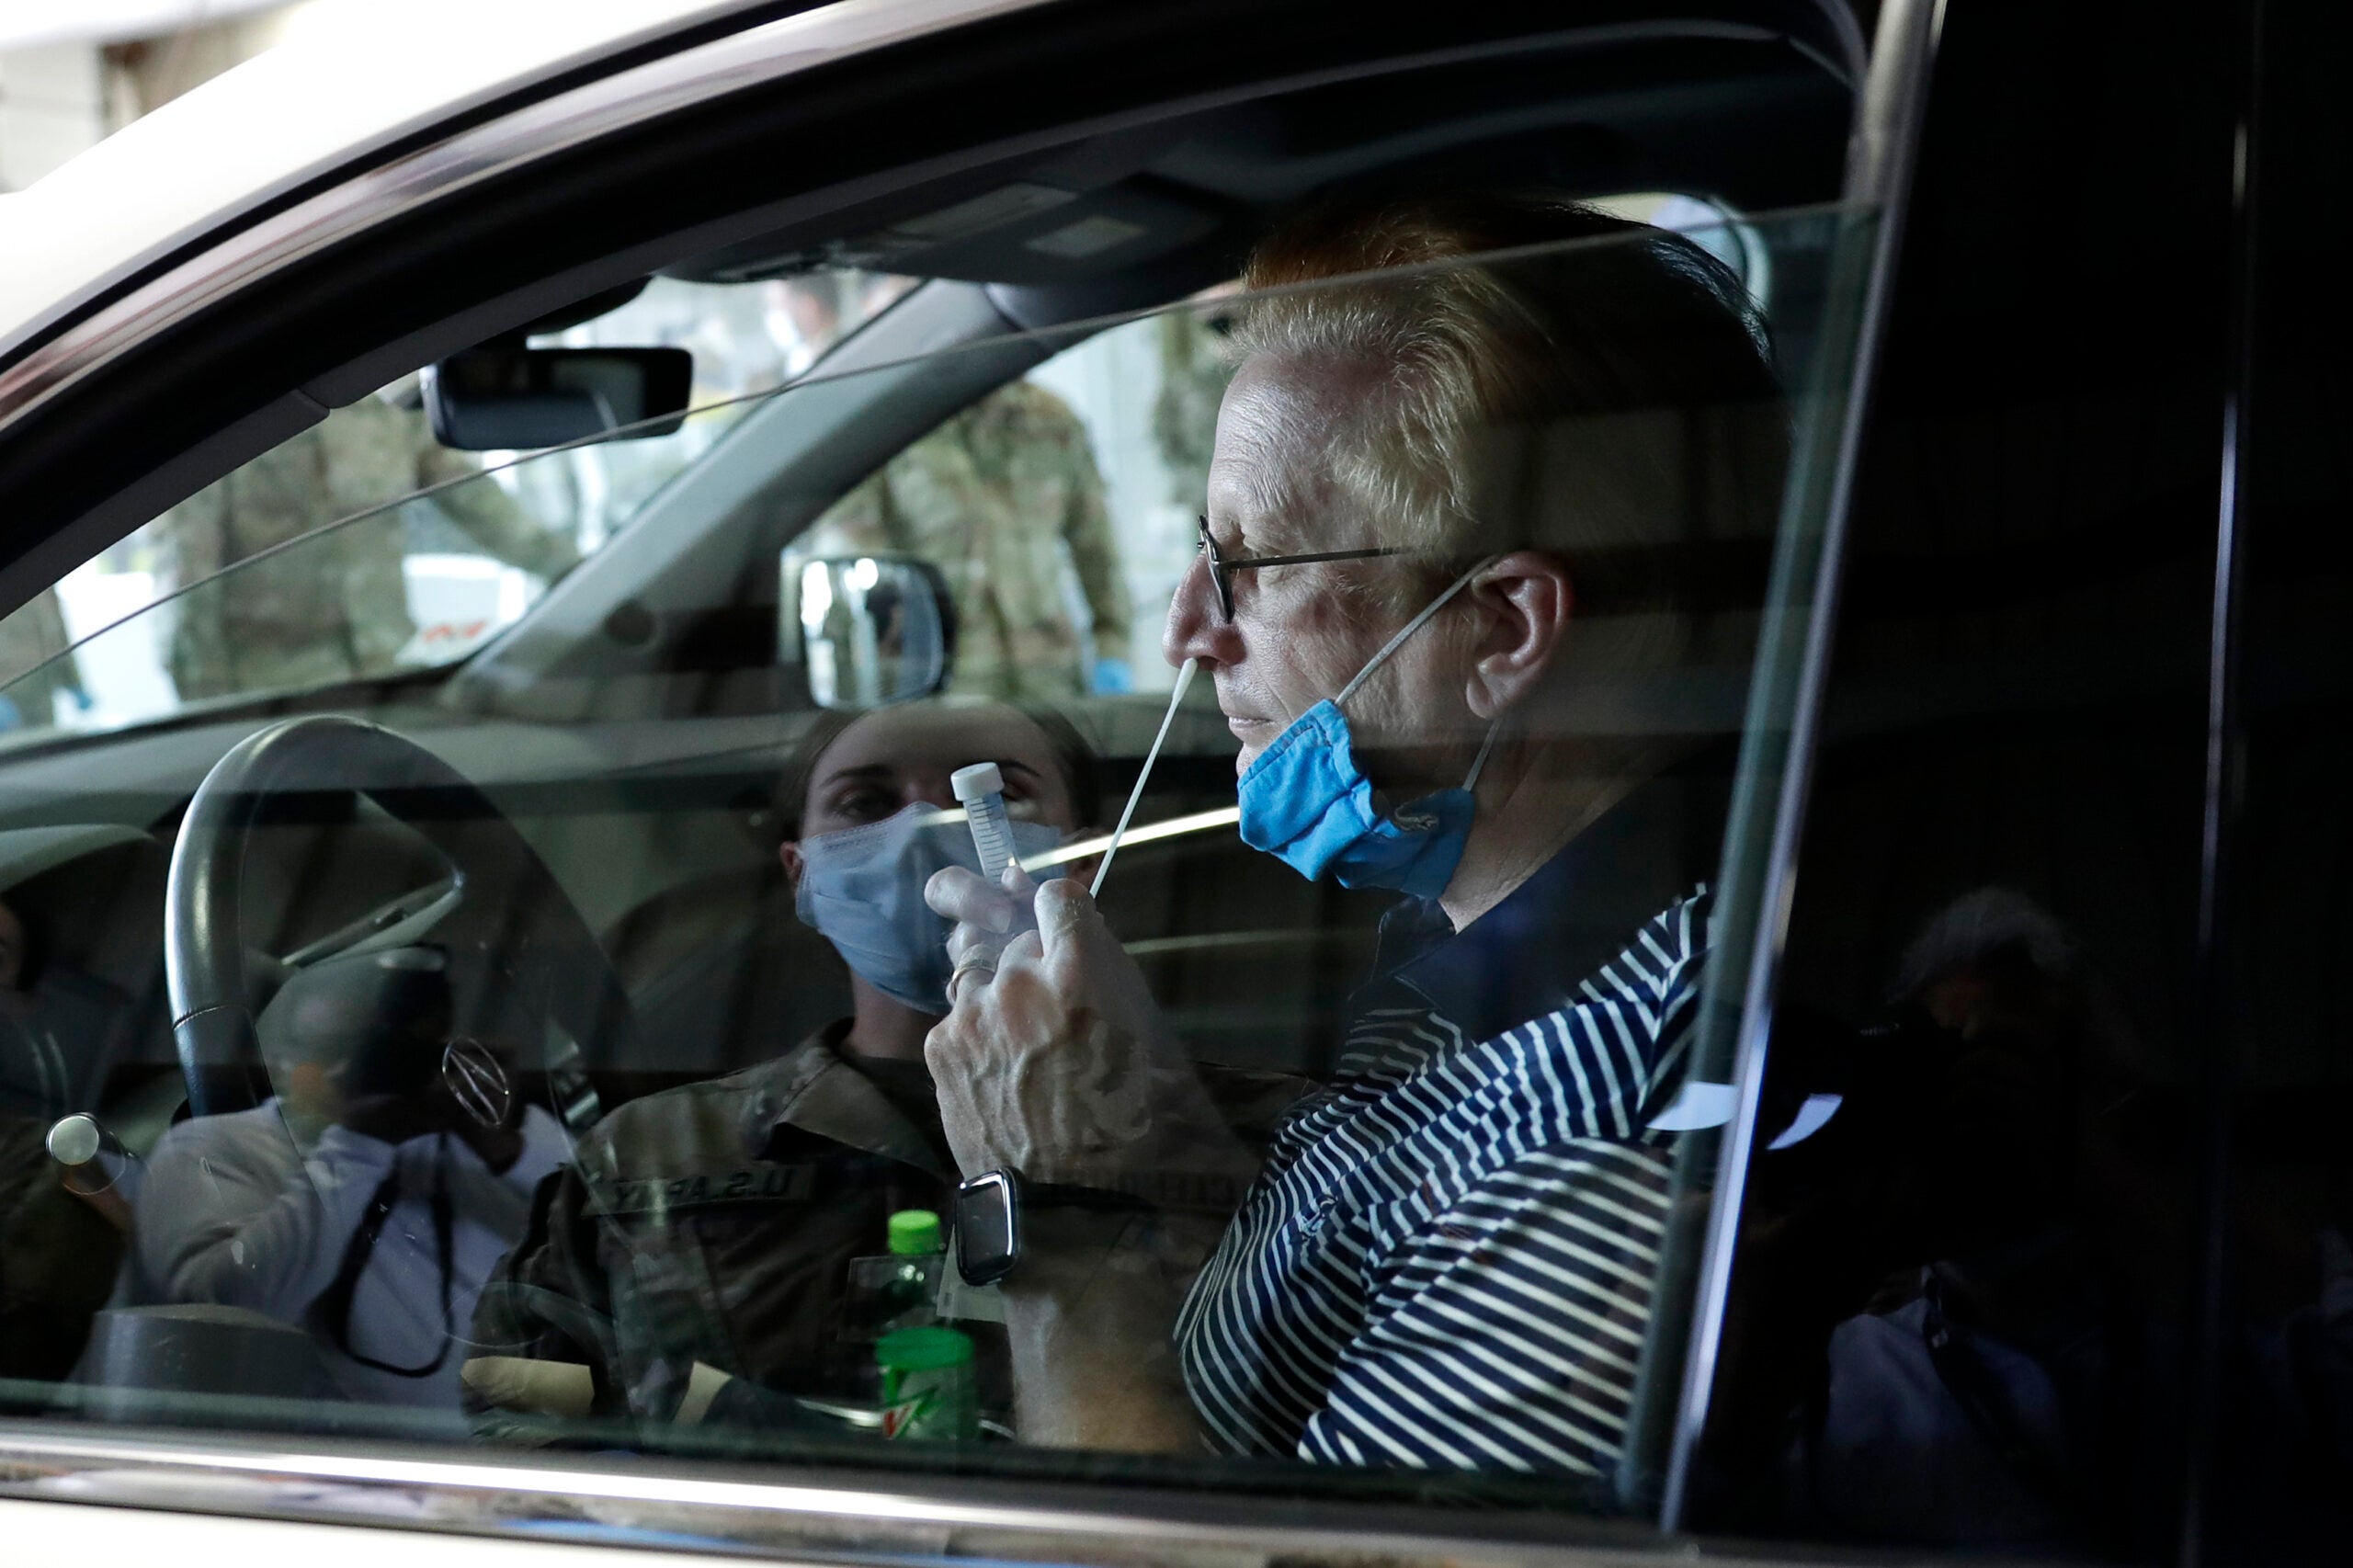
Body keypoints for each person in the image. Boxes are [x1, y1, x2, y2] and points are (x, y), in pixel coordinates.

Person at [920, 192, 1789, 1474]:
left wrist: (1069, 1219)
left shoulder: (1605, 1154)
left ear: (1502, 630)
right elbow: (1343, 1282)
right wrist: (1159, 1142)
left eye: (1248, 566)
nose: (1188, 632)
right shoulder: (1473, 959)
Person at [466, 698, 1100, 1436]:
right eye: (864, 802)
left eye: (991, 794)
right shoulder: (648, 1158)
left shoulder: (1227, 1137)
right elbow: (518, 1427)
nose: (925, 825)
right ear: (802, 873)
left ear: (1084, 858)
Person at [131, 949, 569, 1409]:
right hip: (341, 1459)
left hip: (521, 1451)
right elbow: (227, 1313)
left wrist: (504, 1147)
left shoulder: (494, 1132)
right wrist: (360, 1145)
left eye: (403, 1050)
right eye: (345, 1049)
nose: (375, 1071)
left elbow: (598, 1253)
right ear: (284, 1064)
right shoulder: (220, 1148)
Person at [154, 380, 579, 701]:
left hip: (387, 677)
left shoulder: (388, 404)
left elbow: (475, 499)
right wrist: (205, 699)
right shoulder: (226, 411)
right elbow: (188, 564)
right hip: (268, 691)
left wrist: (575, 574)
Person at [803, 381, 1133, 700]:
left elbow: (1097, 549)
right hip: (945, 687)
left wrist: (1113, 646)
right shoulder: (889, 423)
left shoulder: (1053, 420)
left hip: (1051, 680)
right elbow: (849, 555)